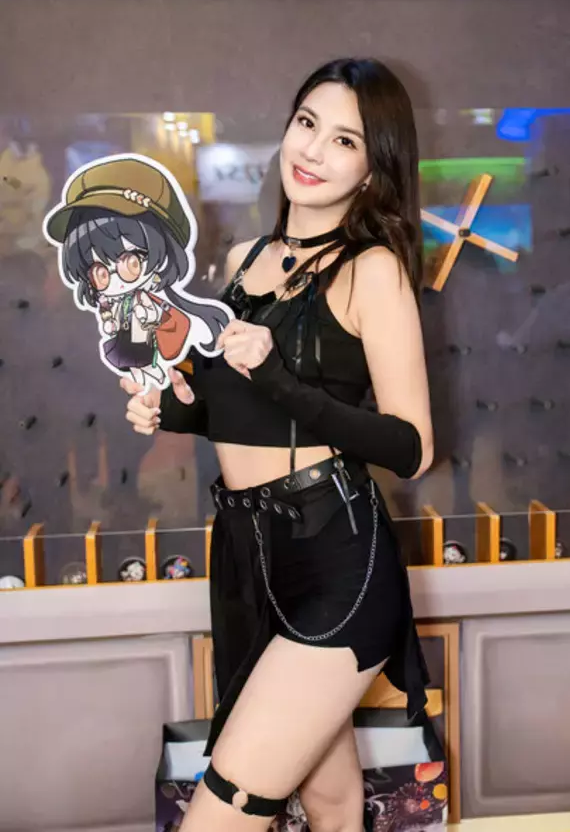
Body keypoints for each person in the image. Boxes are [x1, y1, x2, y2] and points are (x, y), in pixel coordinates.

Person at [122, 57, 434, 832]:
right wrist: (170, 409)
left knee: (219, 816)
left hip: (335, 557)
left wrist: (281, 378)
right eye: (306, 123)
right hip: (244, 556)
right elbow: (237, 411)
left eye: (345, 140)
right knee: (331, 802)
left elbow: (412, 446)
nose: (314, 150)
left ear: (372, 168)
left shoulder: (372, 271)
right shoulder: (244, 261)